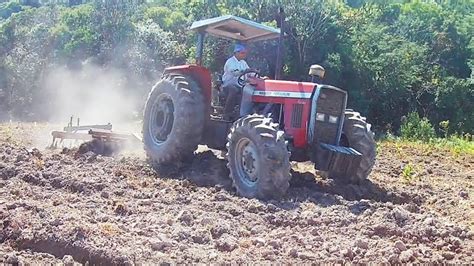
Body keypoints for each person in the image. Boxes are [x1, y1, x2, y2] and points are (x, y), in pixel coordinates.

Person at [222, 43, 254, 120]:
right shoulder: (230, 61)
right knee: (234, 90)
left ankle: (243, 114)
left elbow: (250, 73)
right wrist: (244, 71)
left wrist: (257, 75)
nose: (244, 55)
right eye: (242, 53)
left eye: (245, 53)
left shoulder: (243, 63)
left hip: (240, 84)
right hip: (229, 84)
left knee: (249, 92)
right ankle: (227, 113)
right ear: (236, 53)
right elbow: (234, 72)